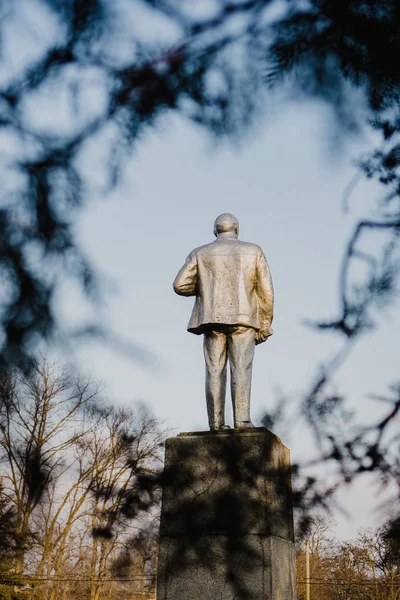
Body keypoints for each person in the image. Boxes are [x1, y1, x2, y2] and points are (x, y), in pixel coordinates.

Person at [173, 213, 274, 430]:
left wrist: (205, 290)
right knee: (242, 368)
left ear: (215, 231)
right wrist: (265, 323)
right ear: (236, 229)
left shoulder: (200, 253)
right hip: (244, 318)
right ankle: (242, 421)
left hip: (211, 318)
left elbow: (179, 285)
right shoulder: (253, 251)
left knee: (214, 369)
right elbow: (266, 291)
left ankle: (216, 424)